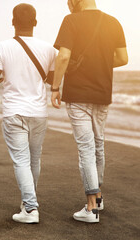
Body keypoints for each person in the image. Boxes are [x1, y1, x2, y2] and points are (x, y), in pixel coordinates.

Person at [50, 0, 128, 223]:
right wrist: (99, 63)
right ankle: (99, 197)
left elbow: (63, 56)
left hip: (78, 95)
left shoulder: (71, 20)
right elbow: (123, 58)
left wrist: (55, 87)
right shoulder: (114, 22)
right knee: (98, 143)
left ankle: (91, 208)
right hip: (102, 94)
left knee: (86, 147)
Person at [0, 3, 56, 224]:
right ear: (35, 22)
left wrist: (1, 77)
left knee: (21, 161)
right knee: (34, 160)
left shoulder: (2, 47)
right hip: (38, 112)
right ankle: (28, 202)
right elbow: (53, 80)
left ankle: (31, 209)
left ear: (13, 22)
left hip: (14, 111)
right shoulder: (49, 49)